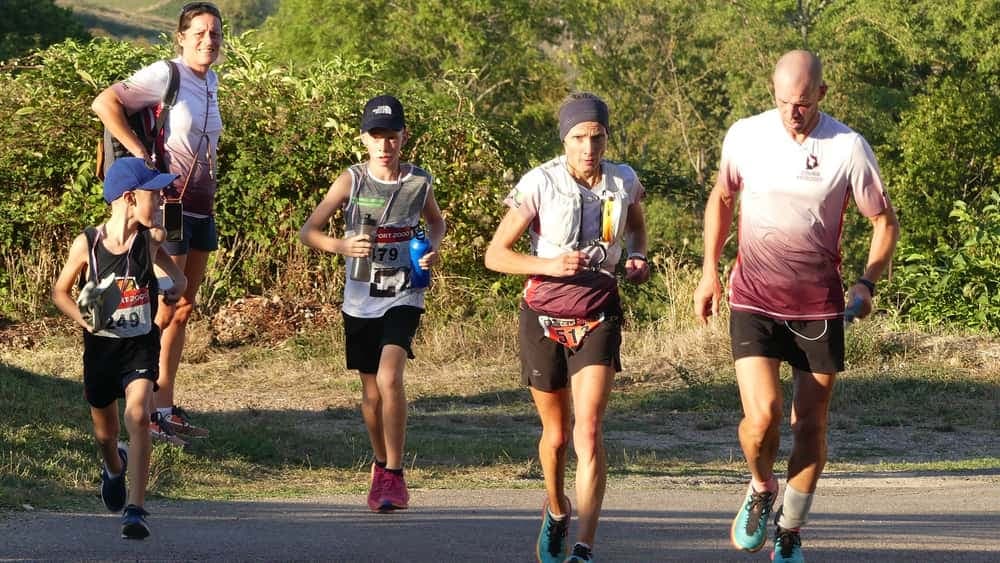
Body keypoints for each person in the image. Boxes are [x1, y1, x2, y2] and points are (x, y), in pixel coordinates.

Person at [693, 50, 899, 562]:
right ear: (773, 91)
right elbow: (721, 197)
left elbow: (884, 221)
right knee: (760, 417)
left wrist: (866, 283)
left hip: (819, 307)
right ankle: (761, 486)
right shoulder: (745, 135)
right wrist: (708, 273)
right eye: (786, 101)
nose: (794, 113)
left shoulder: (847, 147)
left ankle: (790, 530)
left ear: (822, 96)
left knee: (810, 423)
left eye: (804, 103)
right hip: (754, 298)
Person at [485, 92, 650, 563]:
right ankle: (557, 510)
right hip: (543, 315)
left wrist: (637, 257)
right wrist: (550, 264)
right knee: (556, 437)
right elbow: (495, 256)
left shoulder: (624, 180)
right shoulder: (539, 183)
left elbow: (637, 229)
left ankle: (584, 547)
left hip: (598, 312)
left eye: (596, 137)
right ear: (564, 139)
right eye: (579, 137)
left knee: (590, 431)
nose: (589, 147)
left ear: (606, 136)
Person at [299, 94, 446, 512]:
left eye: (392, 136)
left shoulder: (419, 181)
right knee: (370, 394)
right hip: (361, 297)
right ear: (364, 139)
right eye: (376, 136)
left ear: (404, 137)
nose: (385, 145)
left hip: (405, 292)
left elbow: (436, 222)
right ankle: (380, 463)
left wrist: (431, 247)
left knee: (389, 378)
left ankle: (396, 475)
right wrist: (342, 245)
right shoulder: (351, 180)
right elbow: (309, 231)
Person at [92, 1, 224, 444]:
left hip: (202, 205)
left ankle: (163, 409)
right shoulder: (166, 74)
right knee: (164, 306)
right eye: (200, 33)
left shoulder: (211, 81)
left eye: (215, 33)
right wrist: (137, 153)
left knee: (183, 307)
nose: (209, 40)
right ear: (182, 37)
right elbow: (104, 101)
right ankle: (144, 409)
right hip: (170, 205)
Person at [52, 157, 188, 539]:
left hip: (140, 347)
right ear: (130, 197)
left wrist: (170, 289)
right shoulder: (89, 243)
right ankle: (114, 467)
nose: (161, 200)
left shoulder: (150, 239)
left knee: (140, 416)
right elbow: (60, 292)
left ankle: (136, 509)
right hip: (102, 350)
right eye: (155, 194)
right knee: (106, 434)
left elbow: (176, 280)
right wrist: (86, 318)